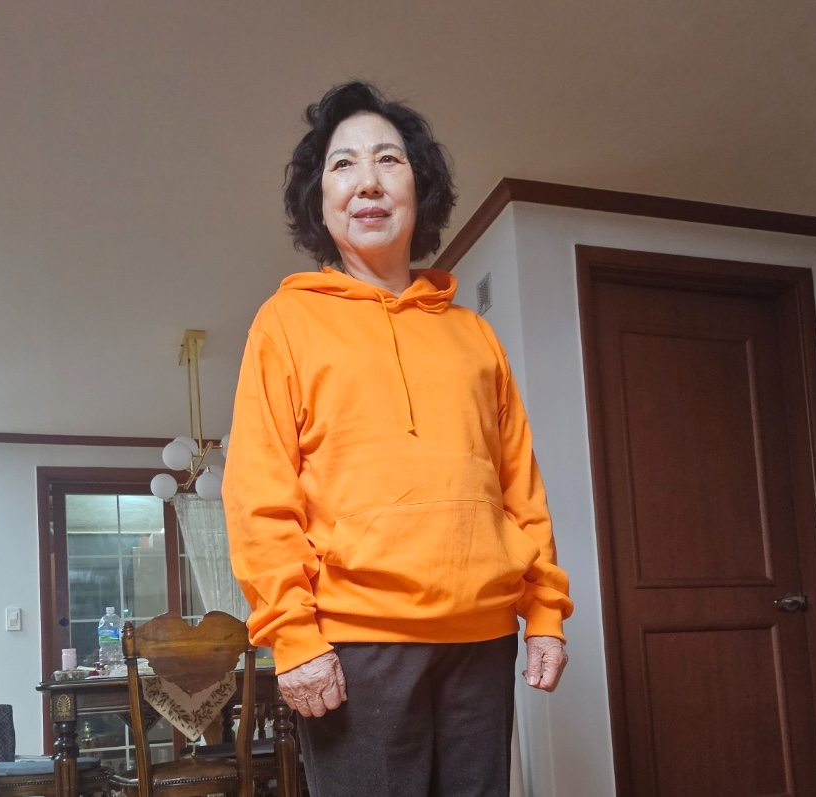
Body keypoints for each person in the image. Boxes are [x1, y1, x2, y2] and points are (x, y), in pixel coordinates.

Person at [224, 81, 572, 797]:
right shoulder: (284, 324)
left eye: (389, 159)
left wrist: (543, 611)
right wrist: (293, 635)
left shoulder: (475, 335)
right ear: (320, 200)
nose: (369, 182)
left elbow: (520, 488)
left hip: (481, 639)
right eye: (343, 165)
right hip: (355, 644)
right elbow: (259, 494)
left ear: (421, 187)